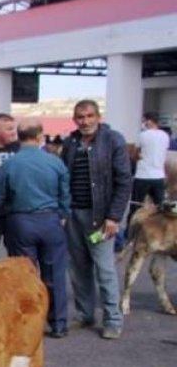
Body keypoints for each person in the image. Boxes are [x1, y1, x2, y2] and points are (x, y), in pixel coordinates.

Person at [61, 99, 131, 339]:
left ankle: (112, 319)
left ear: (98, 117)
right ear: (75, 119)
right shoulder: (70, 143)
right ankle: (85, 314)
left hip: (101, 217)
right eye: (80, 117)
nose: (85, 121)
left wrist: (113, 216)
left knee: (105, 269)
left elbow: (124, 181)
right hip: (74, 215)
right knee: (78, 268)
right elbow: (64, 179)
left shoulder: (113, 140)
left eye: (90, 116)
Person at [0, 118, 71, 338]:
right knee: (54, 273)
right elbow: (65, 194)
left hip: (20, 221)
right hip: (50, 220)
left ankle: (28, 321)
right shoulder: (55, 162)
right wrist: (63, 214)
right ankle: (58, 323)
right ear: (40, 137)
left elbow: (0, 196)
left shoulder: (9, 164)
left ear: (19, 137)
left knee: (24, 275)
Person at [0, 113, 21, 261]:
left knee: (17, 254)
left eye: (14, 128)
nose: (14, 132)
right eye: (9, 129)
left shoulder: (20, 150)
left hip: (14, 211)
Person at [134, 112, 169, 217]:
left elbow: (135, 154)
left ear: (149, 121)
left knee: (136, 207)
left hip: (142, 176)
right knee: (160, 208)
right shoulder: (165, 135)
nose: (143, 123)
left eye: (144, 121)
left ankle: (130, 232)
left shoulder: (142, 135)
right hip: (159, 176)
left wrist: (140, 157)